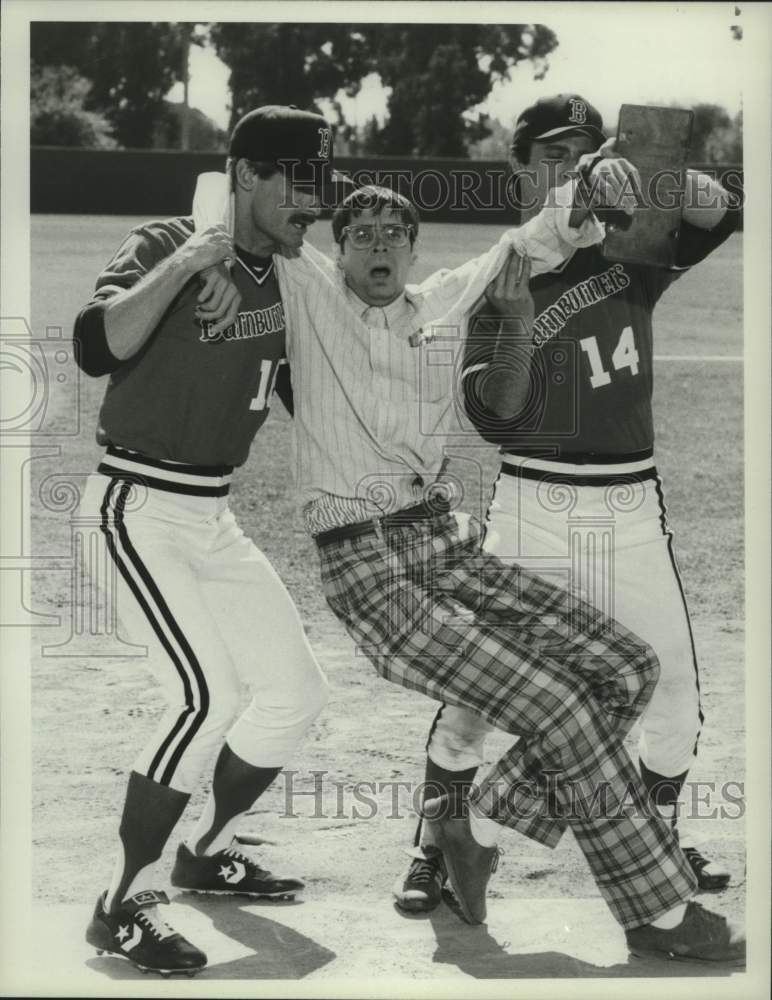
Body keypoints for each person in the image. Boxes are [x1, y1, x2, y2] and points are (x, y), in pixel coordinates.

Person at [190, 162, 743, 961]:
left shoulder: (447, 299)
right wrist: (208, 256)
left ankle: (469, 827)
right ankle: (658, 914)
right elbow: (222, 197)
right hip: (367, 569)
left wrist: (587, 187)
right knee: (559, 705)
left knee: (626, 667)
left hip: (440, 542)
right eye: (361, 236)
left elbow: (531, 239)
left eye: (393, 235)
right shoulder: (304, 292)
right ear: (336, 250)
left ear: (414, 250)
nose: (378, 247)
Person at [398, 94, 740, 915]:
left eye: (584, 152)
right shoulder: (499, 272)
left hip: (629, 506)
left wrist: (662, 177)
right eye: (554, 153)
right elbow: (494, 414)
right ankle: (434, 848)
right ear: (521, 167)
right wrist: (515, 323)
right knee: (477, 695)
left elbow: (724, 212)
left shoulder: (635, 246)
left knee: (675, 697)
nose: (572, 167)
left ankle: (651, 844)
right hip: (531, 508)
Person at [72, 105, 338, 977]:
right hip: (135, 506)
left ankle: (206, 851)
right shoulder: (169, 241)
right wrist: (190, 262)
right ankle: (123, 904)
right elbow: (96, 344)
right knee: (202, 696)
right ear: (248, 177)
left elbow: (318, 405)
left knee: (294, 690)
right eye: (299, 181)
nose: (315, 201)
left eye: (321, 182)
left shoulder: (295, 279)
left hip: (212, 518)